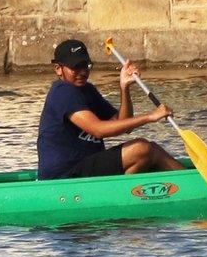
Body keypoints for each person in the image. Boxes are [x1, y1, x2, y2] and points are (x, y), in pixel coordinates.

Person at [37, 39, 185, 180]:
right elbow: (98, 130)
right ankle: (191, 183)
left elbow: (125, 125)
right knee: (142, 148)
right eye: (76, 67)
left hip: (87, 166)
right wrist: (149, 117)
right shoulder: (62, 92)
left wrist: (124, 87)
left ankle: (127, 196)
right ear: (58, 69)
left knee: (147, 152)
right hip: (64, 176)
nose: (83, 72)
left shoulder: (88, 90)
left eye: (85, 66)